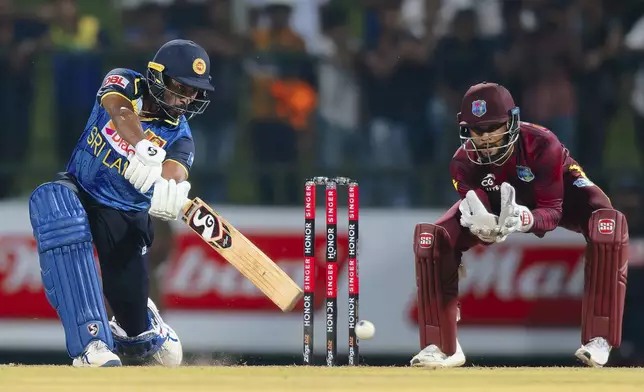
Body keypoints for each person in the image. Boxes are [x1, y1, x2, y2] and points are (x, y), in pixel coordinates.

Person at [411, 82, 628, 368]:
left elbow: (551, 212)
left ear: (511, 121)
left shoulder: (541, 143)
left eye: (494, 127)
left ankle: (599, 339)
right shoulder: (461, 164)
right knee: (432, 239)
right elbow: (482, 213)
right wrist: (484, 229)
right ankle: (442, 345)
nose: (486, 138)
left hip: (561, 194)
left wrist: (524, 219)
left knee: (608, 226)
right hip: (502, 202)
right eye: (478, 130)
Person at [28, 39, 214, 367]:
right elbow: (118, 109)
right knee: (54, 206)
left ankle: (145, 325)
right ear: (158, 76)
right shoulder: (125, 80)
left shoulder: (181, 138)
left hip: (124, 217)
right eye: (180, 87)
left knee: (137, 340)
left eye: (193, 91)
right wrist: (142, 145)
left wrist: (169, 188)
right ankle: (92, 343)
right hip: (81, 188)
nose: (186, 99)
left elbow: (175, 169)